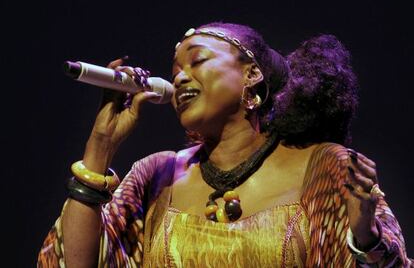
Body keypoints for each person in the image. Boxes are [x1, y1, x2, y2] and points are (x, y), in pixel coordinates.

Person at [38, 22, 412, 267]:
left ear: (252, 74)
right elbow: (72, 262)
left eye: (197, 61)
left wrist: (366, 237)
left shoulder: (323, 168)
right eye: (174, 73)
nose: (181, 78)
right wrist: (101, 144)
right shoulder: (157, 175)